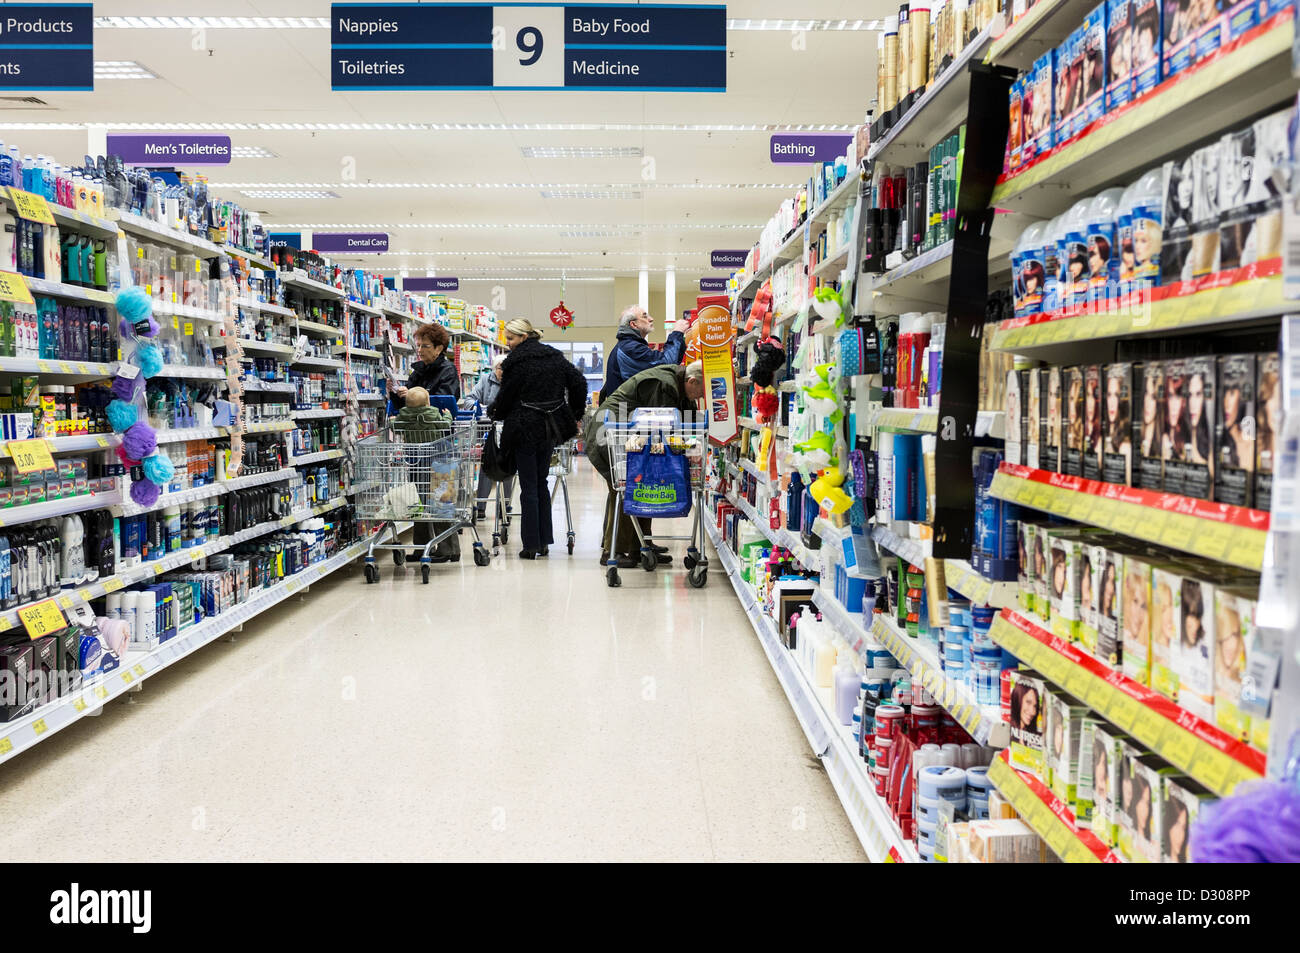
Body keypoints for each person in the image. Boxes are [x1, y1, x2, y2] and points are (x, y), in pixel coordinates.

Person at [584, 361, 706, 568]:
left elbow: (688, 417)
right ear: (692, 381)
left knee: (645, 483)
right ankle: (613, 550)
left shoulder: (678, 383)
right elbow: (660, 424)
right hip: (610, 434)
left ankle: (640, 546)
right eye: (700, 392)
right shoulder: (664, 385)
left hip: (625, 432)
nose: (700, 397)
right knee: (626, 488)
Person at [490, 318, 587, 559]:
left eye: (511, 338)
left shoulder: (515, 362)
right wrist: (573, 413)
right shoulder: (554, 356)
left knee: (528, 486)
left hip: (523, 427)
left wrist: (496, 412)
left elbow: (506, 396)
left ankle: (530, 544)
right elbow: (579, 384)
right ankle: (544, 541)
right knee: (541, 481)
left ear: (524, 337)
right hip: (549, 428)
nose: (508, 343)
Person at [394, 323, 460, 562]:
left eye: (425, 346)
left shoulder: (448, 371)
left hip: (440, 439)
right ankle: (422, 547)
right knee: (419, 493)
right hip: (418, 440)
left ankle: (447, 549)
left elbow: (446, 401)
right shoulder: (418, 370)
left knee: (441, 492)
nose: (420, 350)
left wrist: (421, 395)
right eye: (419, 345)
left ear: (439, 348)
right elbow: (408, 403)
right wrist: (401, 393)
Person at [599, 304, 689, 404]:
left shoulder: (626, 346)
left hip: (624, 411)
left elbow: (672, 364)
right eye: (645, 316)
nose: (651, 319)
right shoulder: (630, 348)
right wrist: (677, 333)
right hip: (625, 413)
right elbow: (667, 364)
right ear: (633, 324)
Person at [470, 354, 515, 519]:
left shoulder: (515, 381)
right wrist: (481, 409)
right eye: (500, 368)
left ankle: (504, 507)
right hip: (487, 430)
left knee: (508, 467)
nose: (503, 371)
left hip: (508, 431)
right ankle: (481, 507)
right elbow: (469, 399)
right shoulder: (485, 380)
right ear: (494, 368)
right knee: (487, 465)